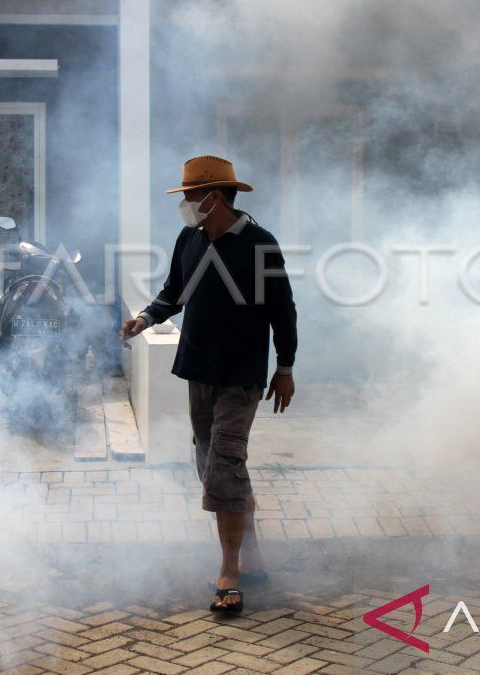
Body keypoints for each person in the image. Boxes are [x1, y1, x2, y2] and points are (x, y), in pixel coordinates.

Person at [119, 155, 297, 614]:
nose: (186, 204)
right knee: (211, 462)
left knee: (223, 463)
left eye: (191, 197)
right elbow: (173, 292)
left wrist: (285, 367)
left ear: (214, 197)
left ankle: (230, 572)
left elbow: (284, 311)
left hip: (241, 376)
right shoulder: (189, 238)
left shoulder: (260, 244)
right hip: (198, 369)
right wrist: (144, 318)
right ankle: (252, 552)